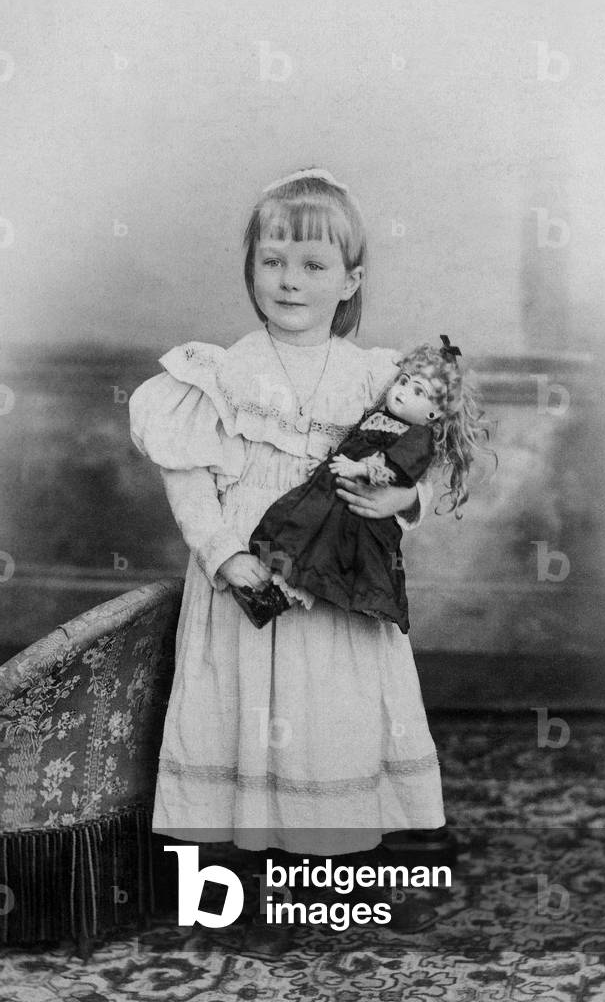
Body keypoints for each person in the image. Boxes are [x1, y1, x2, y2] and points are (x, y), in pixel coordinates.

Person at [129, 168, 455, 934]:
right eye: (273, 261)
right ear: (250, 267)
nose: (290, 280)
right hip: (248, 560)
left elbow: (437, 464)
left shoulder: (379, 378)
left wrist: (401, 500)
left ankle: (324, 864)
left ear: (351, 281)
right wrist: (220, 553)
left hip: (338, 576)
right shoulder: (216, 373)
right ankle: (239, 869)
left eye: (313, 266)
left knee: (331, 706)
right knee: (241, 701)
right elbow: (189, 479)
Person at [234, 336, 488, 634]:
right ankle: (270, 591)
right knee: (296, 534)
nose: (404, 393)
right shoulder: (376, 417)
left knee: (325, 555)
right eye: (404, 382)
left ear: (433, 414)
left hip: (354, 512)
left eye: (418, 392)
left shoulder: (417, 437)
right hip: (327, 494)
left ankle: (281, 597)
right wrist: (328, 464)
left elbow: (398, 467)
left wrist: (360, 468)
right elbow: (350, 444)